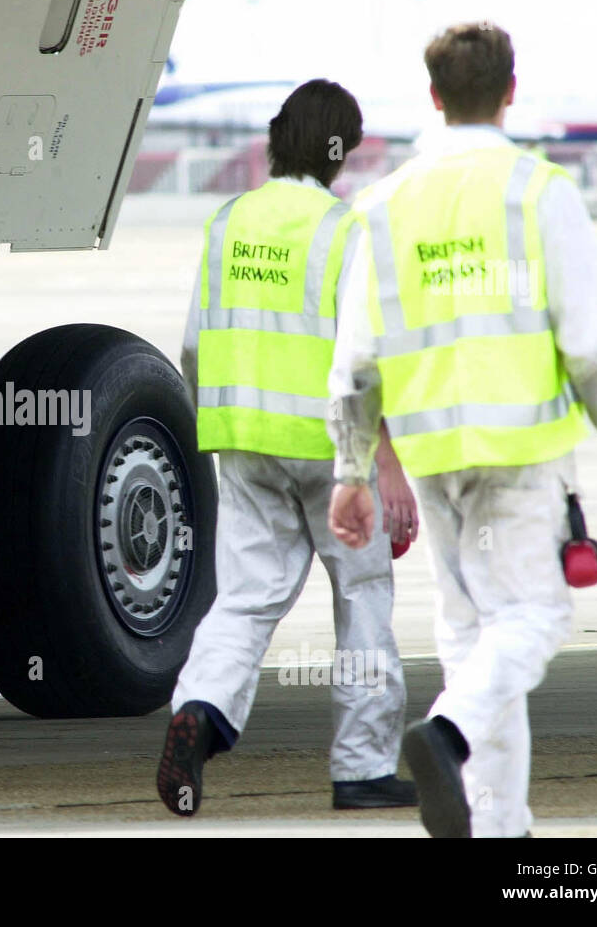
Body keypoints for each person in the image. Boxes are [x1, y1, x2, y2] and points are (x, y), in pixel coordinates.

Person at [326, 23, 597, 838]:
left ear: (433, 97)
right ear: (511, 91)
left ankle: (499, 827)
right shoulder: (539, 193)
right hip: (519, 449)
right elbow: (591, 345)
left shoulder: (380, 207)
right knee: (534, 619)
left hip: (433, 454)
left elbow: (357, 360)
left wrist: (353, 468)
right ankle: (447, 732)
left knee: (473, 634)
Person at [156, 79, 420, 817]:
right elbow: (368, 361)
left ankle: (198, 712)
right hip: (331, 451)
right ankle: (362, 769)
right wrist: (386, 467)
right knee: (361, 596)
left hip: (243, 442)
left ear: (277, 139)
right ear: (337, 152)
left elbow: (191, 344)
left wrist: (224, 424)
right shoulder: (346, 231)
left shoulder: (227, 221)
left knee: (243, 601)